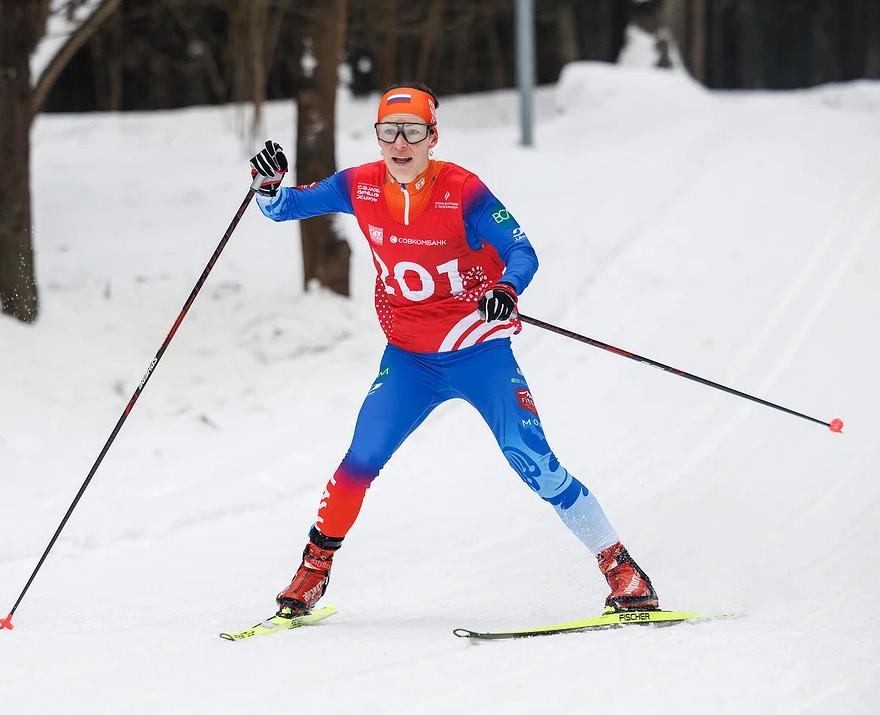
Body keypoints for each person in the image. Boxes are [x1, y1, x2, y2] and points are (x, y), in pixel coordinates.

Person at [248, 82, 658, 617]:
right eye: (388, 131)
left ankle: (622, 570)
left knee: (532, 459)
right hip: (409, 359)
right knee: (359, 461)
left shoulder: (462, 190)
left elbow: (522, 251)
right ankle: (313, 571)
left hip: (478, 351)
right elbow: (285, 208)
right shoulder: (359, 186)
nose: (400, 143)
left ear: (432, 137)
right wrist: (268, 187)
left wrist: (506, 288)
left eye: (412, 131)